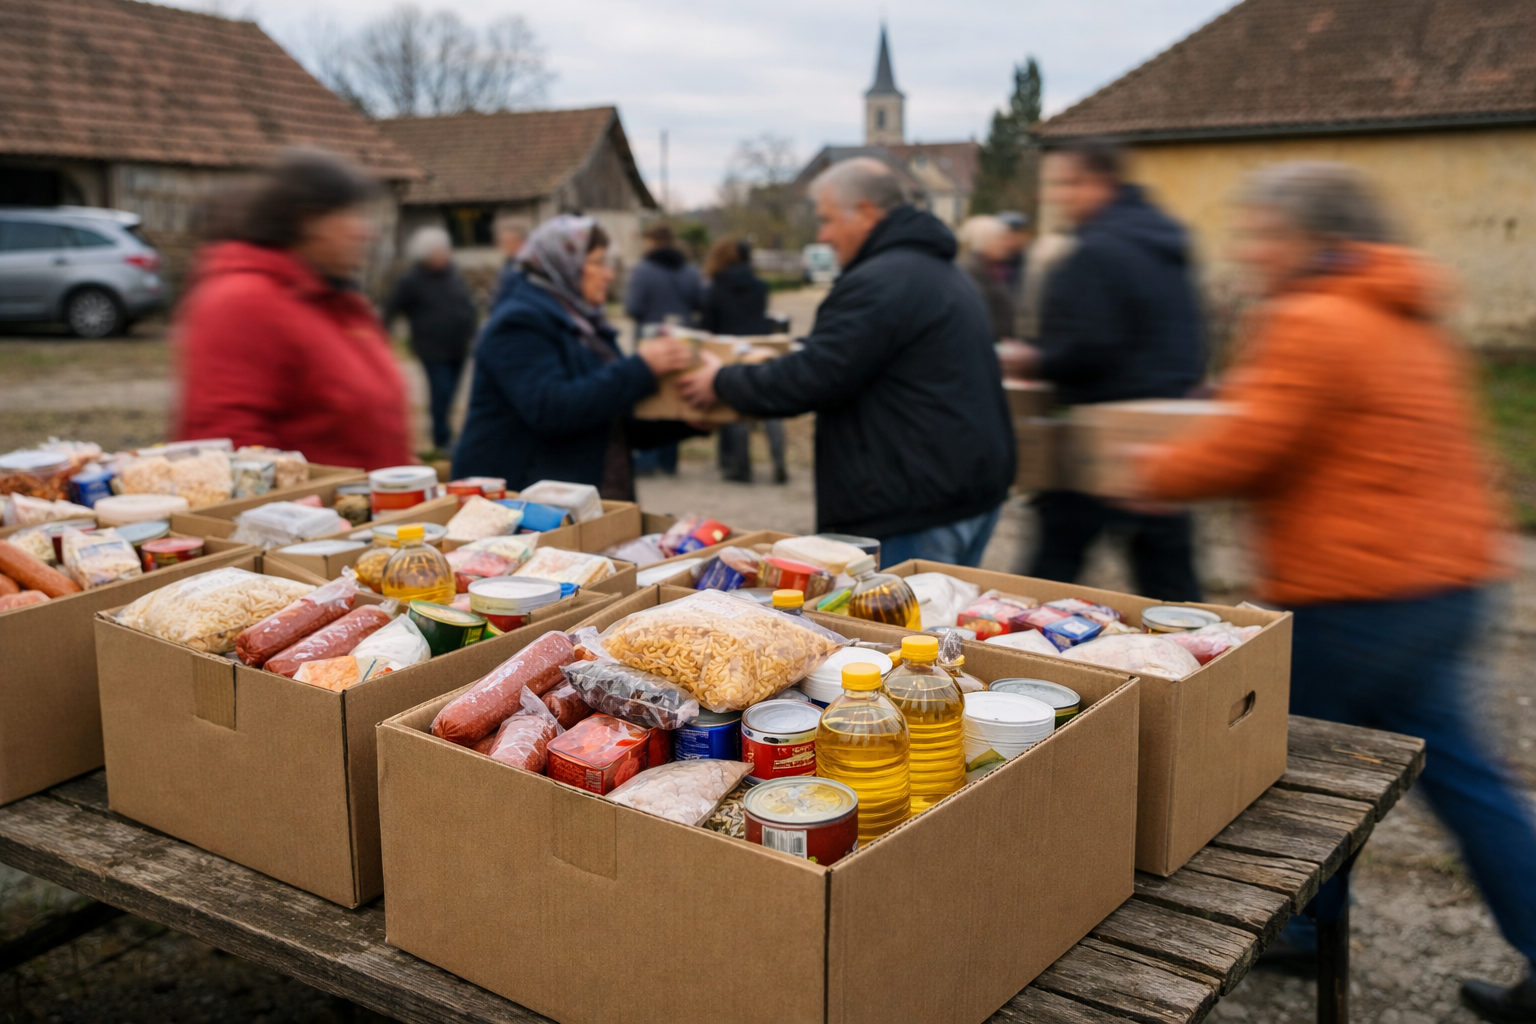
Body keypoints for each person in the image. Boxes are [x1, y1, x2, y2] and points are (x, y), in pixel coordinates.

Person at [1133, 162, 1533, 1023]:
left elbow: (1252, 447)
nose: (1246, 252)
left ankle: (1305, 926)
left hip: (1356, 596)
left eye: (1258, 235)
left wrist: (1151, 469)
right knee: (1464, 778)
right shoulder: (1406, 312)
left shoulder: (1312, 319)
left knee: (1279, 769)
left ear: (1309, 240)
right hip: (1445, 582)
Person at [676, 158, 1015, 566]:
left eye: (827, 220)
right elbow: (858, 353)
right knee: (939, 628)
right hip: (959, 492)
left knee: (896, 629)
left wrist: (721, 382)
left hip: (912, 508)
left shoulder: (879, 281)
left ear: (867, 213)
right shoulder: (936, 271)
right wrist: (790, 352)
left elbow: (818, 376)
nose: (822, 235)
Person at [1019, 137, 1206, 600]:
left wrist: (1035, 359)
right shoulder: (1167, 244)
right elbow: (1195, 341)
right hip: (1165, 437)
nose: (1059, 197)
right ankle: (1201, 661)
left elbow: (1085, 349)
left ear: (1098, 182)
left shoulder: (1096, 252)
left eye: (1067, 184)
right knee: (1170, 581)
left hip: (1100, 440)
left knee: (1050, 573)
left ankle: (1023, 655)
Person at [175, 148, 412, 471]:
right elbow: (231, 449)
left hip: (368, 510)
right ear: (309, 221)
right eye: (352, 215)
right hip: (320, 517)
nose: (367, 232)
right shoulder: (243, 303)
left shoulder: (337, 301)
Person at [451, 215, 695, 498]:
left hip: (586, 505)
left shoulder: (588, 325)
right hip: (525, 511)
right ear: (566, 264)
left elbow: (615, 420)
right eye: (599, 262)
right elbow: (552, 409)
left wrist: (688, 419)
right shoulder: (518, 323)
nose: (609, 274)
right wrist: (641, 366)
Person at [701, 236, 787, 485]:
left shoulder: (715, 288)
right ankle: (779, 461)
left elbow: (709, 325)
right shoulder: (760, 286)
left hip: (732, 349)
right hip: (760, 346)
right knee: (771, 407)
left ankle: (741, 467)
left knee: (737, 407)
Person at [383, 227, 477, 454]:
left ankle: (446, 434)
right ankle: (441, 439)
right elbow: (392, 309)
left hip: (458, 346)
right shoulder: (412, 281)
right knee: (440, 392)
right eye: (439, 251)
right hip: (432, 349)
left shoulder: (452, 274)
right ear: (425, 255)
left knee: (453, 393)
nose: (445, 255)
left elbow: (465, 305)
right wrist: (381, 336)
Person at [626, 222, 704, 476]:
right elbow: (700, 301)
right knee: (677, 394)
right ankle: (670, 462)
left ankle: (648, 462)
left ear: (651, 241)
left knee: (650, 396)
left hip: (652, 341)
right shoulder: (690, 270)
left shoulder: (643, 269)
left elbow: (633, 307)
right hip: (684, 339)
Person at [957, 213, 1029, 343]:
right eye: (999, 239)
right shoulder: (971, 271)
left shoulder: (996, 267)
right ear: (983, 241)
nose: (1006, 244)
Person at [490, 216, 528, 310]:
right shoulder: (509, 264)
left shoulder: (526, 268)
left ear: (520, 241)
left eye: (506, 241)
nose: (501, 245)